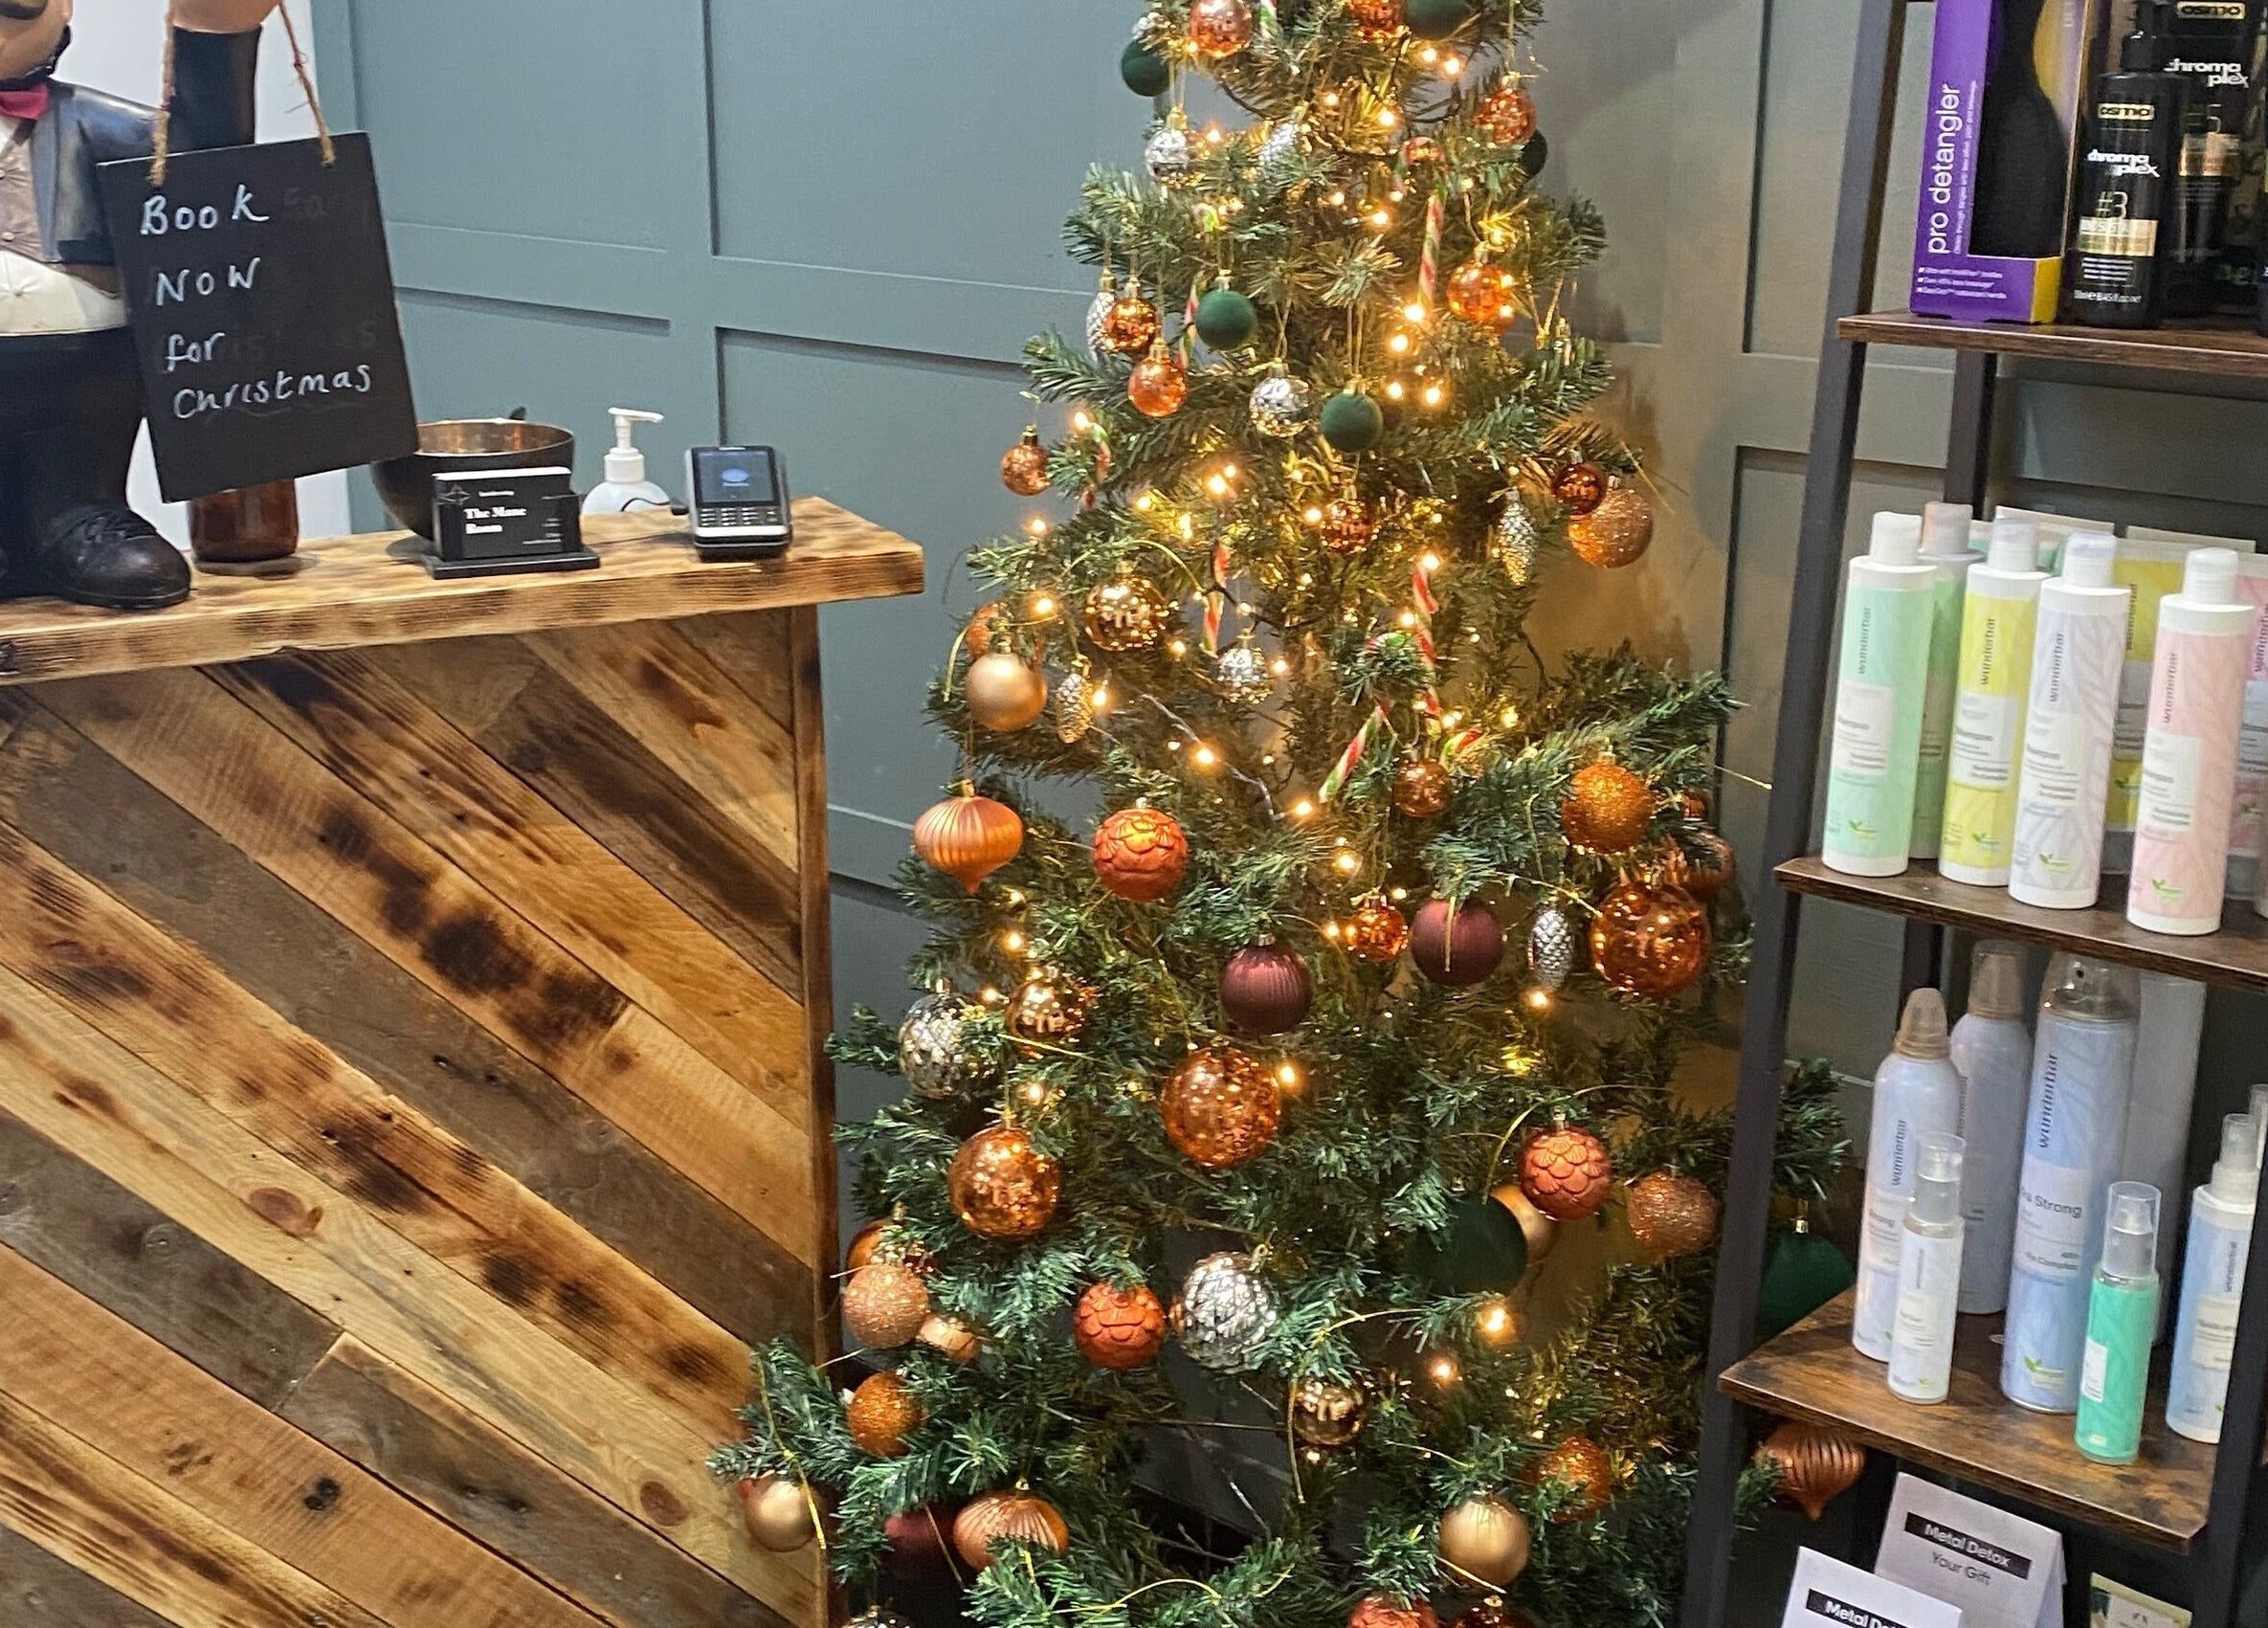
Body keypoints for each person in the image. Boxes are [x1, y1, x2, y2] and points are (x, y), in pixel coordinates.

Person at [0, 0, 275, 609]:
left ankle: (81, 519)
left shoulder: (92, 123)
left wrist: (215, 34)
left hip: (87, 374)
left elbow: (203, 171)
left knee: (75, 460)